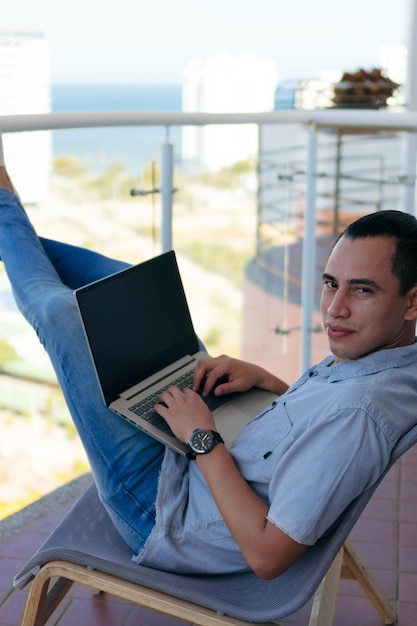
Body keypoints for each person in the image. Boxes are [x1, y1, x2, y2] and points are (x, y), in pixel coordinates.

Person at [1, 143, 417, 582]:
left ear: (412, 302)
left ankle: (7, 215)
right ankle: (8, 225)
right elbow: (319, 427)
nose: (335, 309)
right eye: (331, 284)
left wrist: (201, 438)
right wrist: (268, 382)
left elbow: (267, 556)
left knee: (60, 313)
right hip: (214, 454)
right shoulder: (389, 359)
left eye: (363, 290)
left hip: (164, 512)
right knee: (132, 286)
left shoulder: (359, 416)